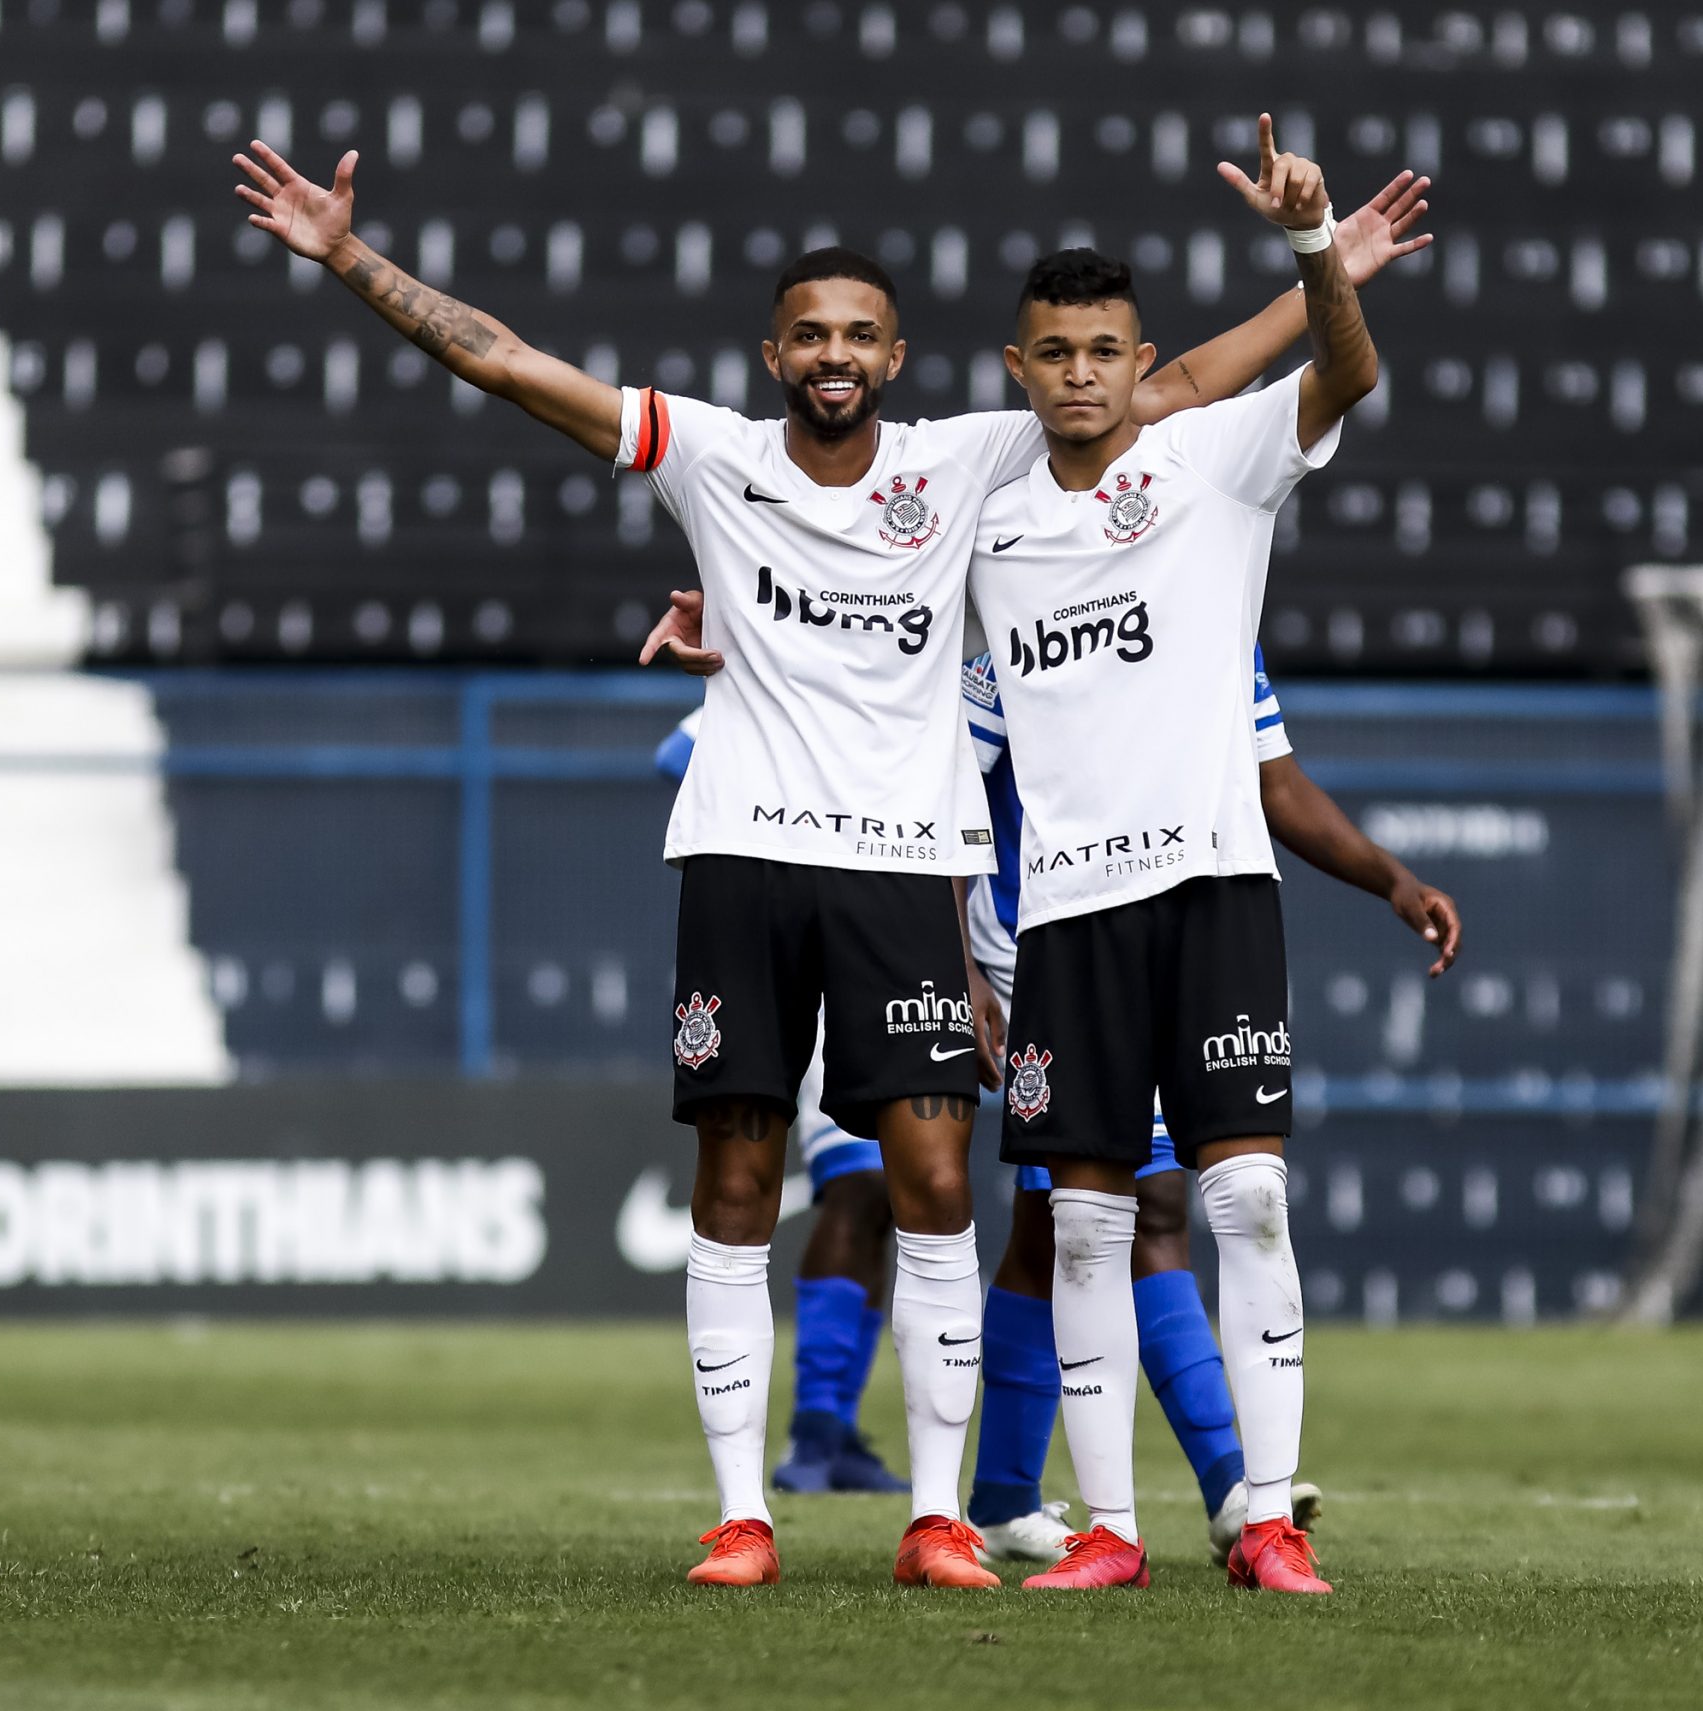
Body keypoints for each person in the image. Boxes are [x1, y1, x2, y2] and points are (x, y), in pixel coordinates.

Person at [229, 137, 1423, 1592]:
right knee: (763, 1179)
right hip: (753, 856)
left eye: (861, 333)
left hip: (919, 873)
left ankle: (963, 1514)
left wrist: (1320, 271)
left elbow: (1158, 396)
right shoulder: (717, 455)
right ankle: (759, 1510)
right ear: (775, 353)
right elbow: (517, 368)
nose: (836, 354)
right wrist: (351, 260)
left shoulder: (967, 459)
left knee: (953, 1179)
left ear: (901, 355)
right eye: (811, 333)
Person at [652, 645, 1462, 1564]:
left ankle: (1011, 1490)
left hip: (1126, 935)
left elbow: (1273, 775)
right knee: (937, 1195)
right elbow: (724, 753)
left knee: (1070, 1213)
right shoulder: (989, 610)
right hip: (1007, 944)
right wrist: (955, 955)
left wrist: (1394, 879)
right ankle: (1217, 1485)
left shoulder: (1211, 602)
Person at [964, 116, 1376, 1595]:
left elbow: (1350, 370)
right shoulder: (987, 528)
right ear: (1021, 371)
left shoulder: (1215, 461)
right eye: (1054, 352)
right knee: (1084, 1219)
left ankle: (1266, 1513)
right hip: (1065, 918)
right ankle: (1116, 1533)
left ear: (1146, 364)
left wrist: (1316, 249)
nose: (1081, 371)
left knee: (1244, 1197)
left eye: (1106, 350)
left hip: (1213, 891)